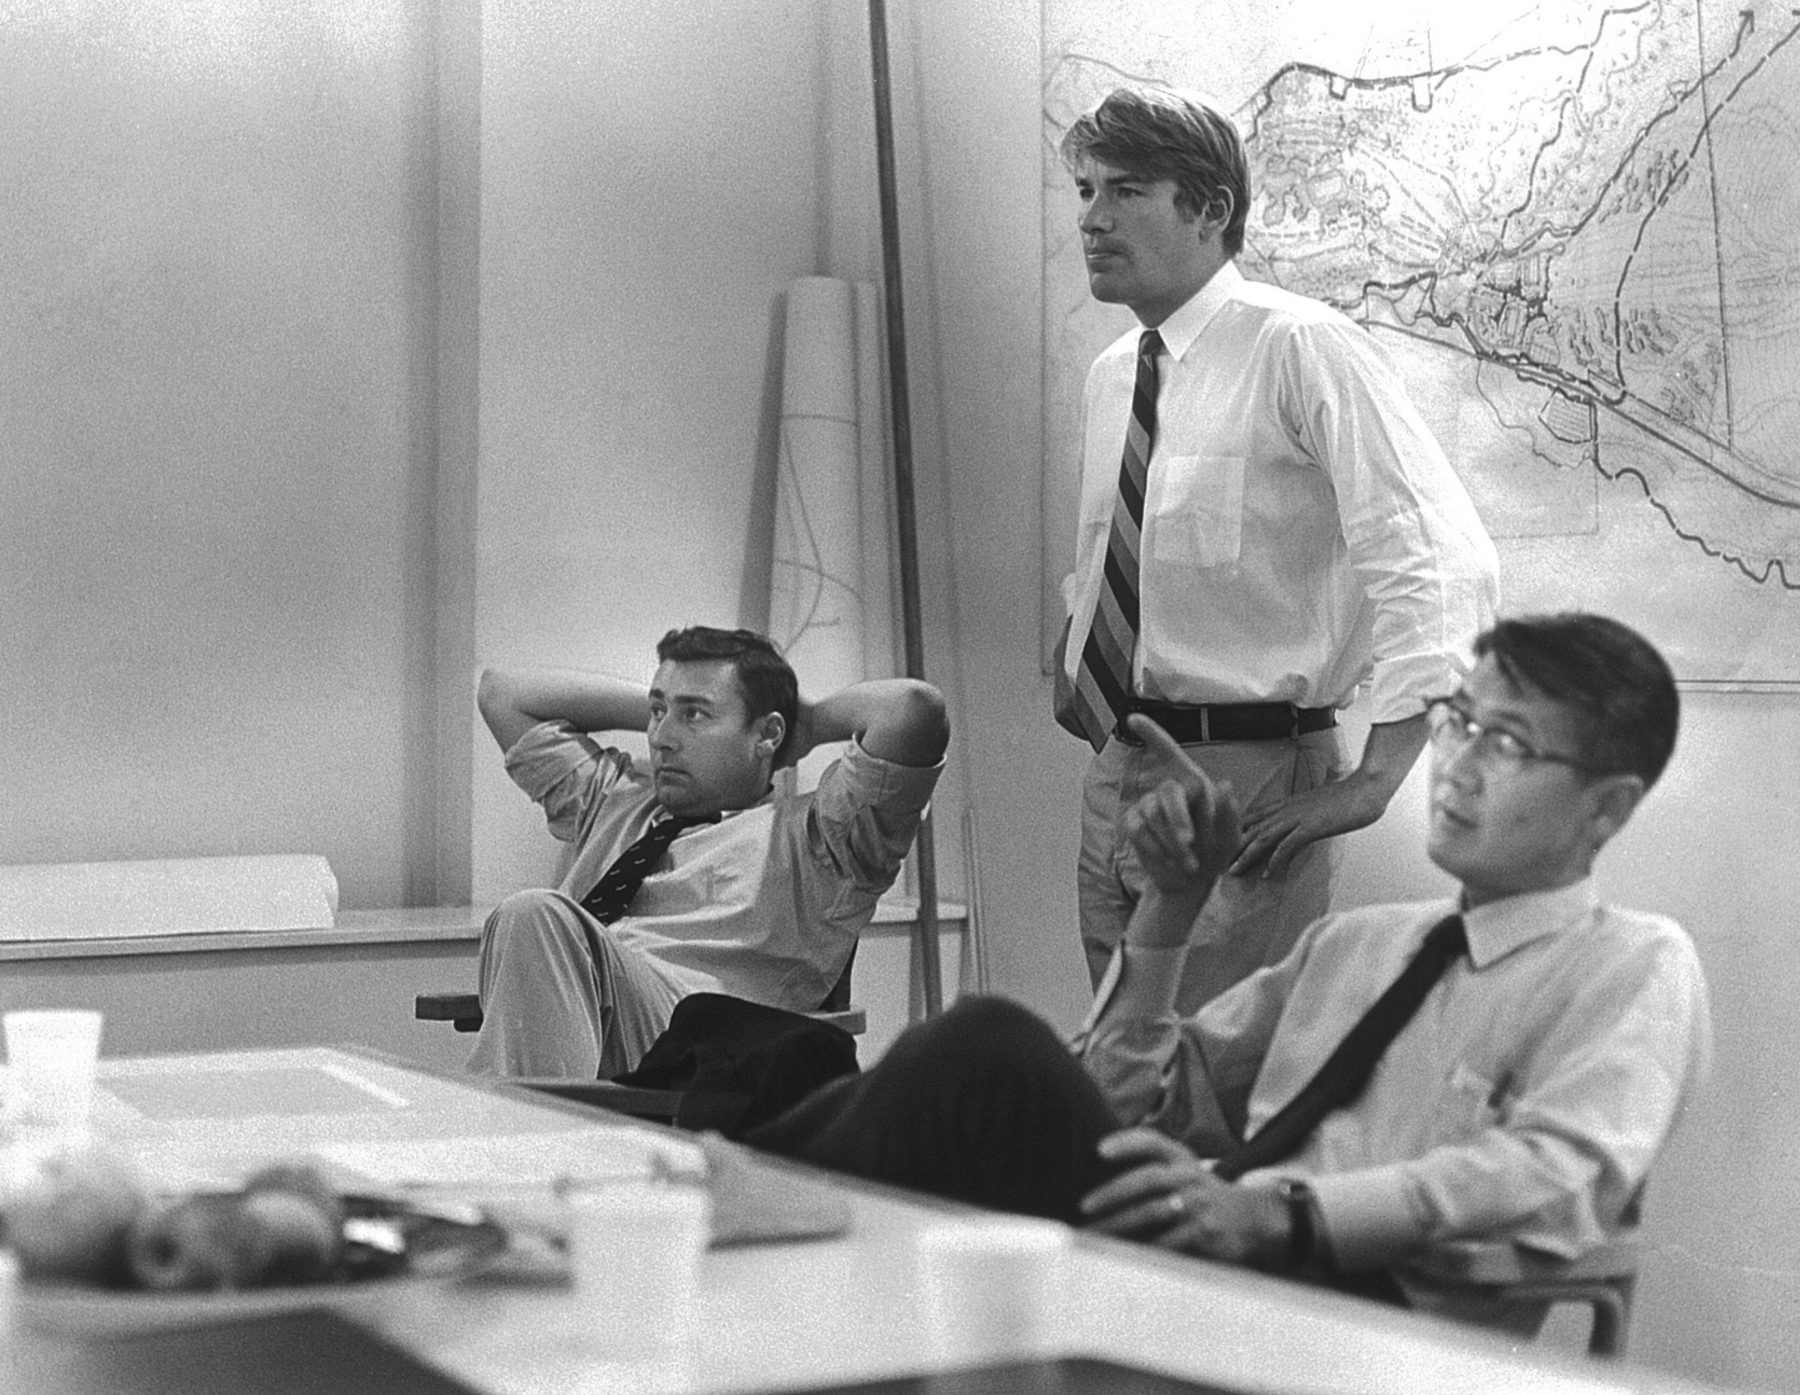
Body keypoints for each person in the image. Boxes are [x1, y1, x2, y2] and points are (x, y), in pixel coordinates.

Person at [753, 613, 1711, 1328]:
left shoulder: (1633, 965)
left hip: (1362, 1319)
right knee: (902, 1073)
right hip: (1217, 1266)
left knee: (987, 1049)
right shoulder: (1360, 945)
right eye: (1459, 723)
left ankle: (732, 1187)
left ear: (1607, 807)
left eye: (1505, 744)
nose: (1456, 768)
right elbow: (1129, 1100)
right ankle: (736, 1199)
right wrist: (1171, 908)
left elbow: (1551, 1178)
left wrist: (1280, 1215)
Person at [1053, 86, 1500, 1013]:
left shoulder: (1302, 346)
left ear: (1210, 208)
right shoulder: (1113, 376)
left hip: (1250, 774)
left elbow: (1438, 557)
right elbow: (1117, 558)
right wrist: (1077, 664)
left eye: (1125, 190)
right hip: (1123, 767)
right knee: (1122, 1061)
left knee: (1210, 1080)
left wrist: (1377, 780)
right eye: (1086, 190)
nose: (1092, 219)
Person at [466, 625, 947, 1079]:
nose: (660, 739)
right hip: (583, 1017)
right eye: (658, 714)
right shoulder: (617, 797)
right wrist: (670, 706)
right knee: (532, 918)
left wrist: (813, 722)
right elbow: (501, 692)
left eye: (695, 715)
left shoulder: (822, 838)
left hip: (701, 1048)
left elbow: (911, 708)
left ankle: (523, 1142)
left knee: (534, 914)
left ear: (768, 735)